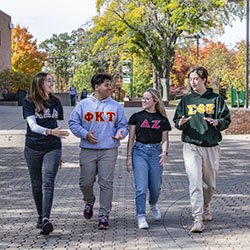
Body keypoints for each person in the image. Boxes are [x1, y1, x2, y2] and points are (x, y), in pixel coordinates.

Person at [173, 66, 231, 233]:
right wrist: (180, 123)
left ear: (204, 79)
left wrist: (218, 122)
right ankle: (197, 218)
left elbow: (226, 119)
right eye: (191, 79)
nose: (193, 82)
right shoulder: (186, 101)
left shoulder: (216, 99)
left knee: (210, 184)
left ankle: (205, 206)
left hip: (211, 145)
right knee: (195, 182)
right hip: (191, 145)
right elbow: (177, 120)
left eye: (196, 78)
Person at [68, 73, 128, 229]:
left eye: (110, 84)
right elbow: (73, 123)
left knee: (106, 183)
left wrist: (121, 132)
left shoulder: (115, 106)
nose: (110, 87)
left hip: (109, 150)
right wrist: (85, 134)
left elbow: (123, 125)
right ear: (97, 87)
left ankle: (104, 215)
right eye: (106, 85)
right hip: (88, 149)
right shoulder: (83, 104)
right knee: (85, 182)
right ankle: (89, 201)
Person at [22, 72, 69, 235]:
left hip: (52, 147)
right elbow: (33, 126)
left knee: (48, 182)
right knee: (36, 183)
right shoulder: (28, 101)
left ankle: (46, 219)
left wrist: (60, 152)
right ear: (40, 83)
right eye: (48, 81)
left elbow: (59, 130)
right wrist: (50, 131)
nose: (52, 83)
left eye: (51, 81)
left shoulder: (56, 102)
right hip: (33, 147)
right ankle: (40, 215)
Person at [126, 88, 171, 229]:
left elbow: (165, 139)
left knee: (155, 187)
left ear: (155, 101)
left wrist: (164, 152)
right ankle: (141, 216)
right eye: (143, 98)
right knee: (141, 187)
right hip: (139, 152)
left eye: (147, 99)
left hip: (156, 152)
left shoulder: (162, 119)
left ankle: (153, 203)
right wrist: (128, 157)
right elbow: (131, 138)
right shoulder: (136, 117)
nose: (143, 101)